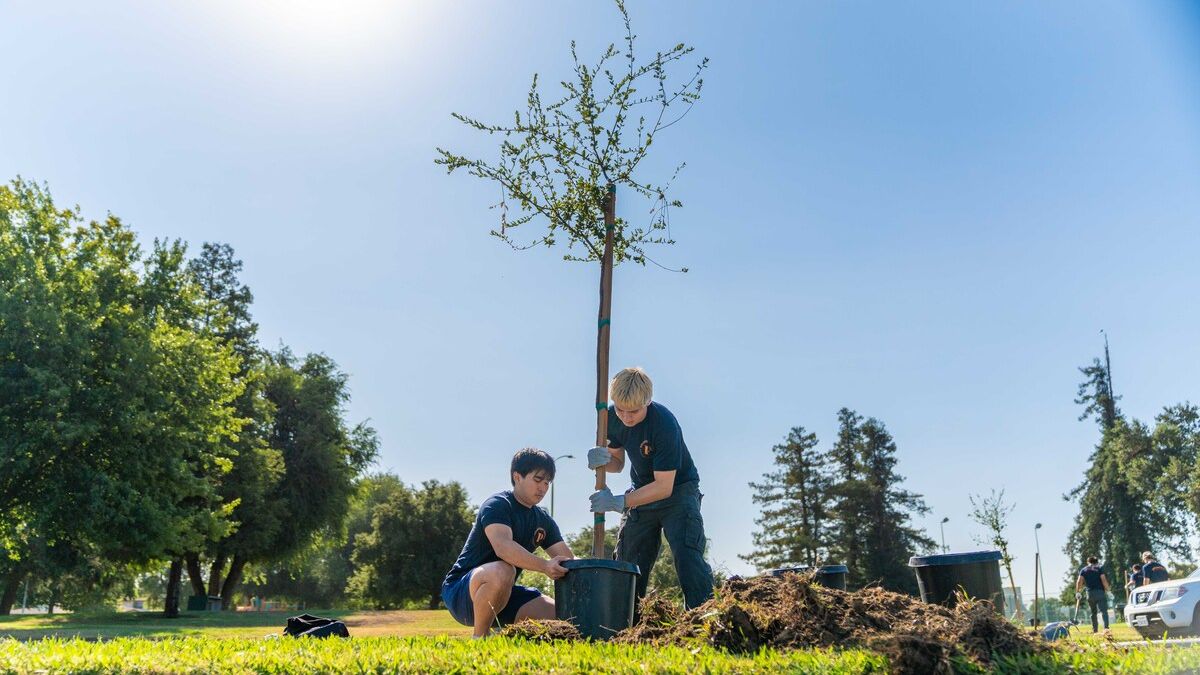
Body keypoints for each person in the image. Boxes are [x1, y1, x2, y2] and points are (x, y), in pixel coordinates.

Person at [587, 366, 715, 609]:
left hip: (678, 492)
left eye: (633, 411)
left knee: (687, 556)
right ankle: (623, 624)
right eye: (621, 410)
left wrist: (619, 502)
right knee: (629, 561)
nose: (626, 417)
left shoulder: (664, 424)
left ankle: (702, 618)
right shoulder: (612, 418)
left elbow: (663, 487)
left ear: (647, 401)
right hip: (642, 491)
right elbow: (617, 463)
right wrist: (601, 461)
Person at [441, 448, 573, 637]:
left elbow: (568, 560)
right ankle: (480, 638)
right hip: (462, 592)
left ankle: (504, 634)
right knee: (504, 569)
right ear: (517, 476)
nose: (543, 488)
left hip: (505, 592)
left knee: (563, 616)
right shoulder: (498, 505)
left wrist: (596, 571)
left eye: (547, 482)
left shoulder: (543, 520)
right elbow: (503, 548)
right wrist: (545, 566)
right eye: (537, 480)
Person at [1075, 556, 1111, 633]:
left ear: (1088, 562)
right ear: (1096, 562)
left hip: (1090, 593)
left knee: (1093, 613)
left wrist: (1078, 592)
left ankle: (1095, 630)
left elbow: (1079, 581)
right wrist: (1108, 591)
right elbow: (1103, 580)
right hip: (1100, 592)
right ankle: (1106, 629)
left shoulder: (1084, 570)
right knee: (1104, 611)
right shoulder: (1099, 569)